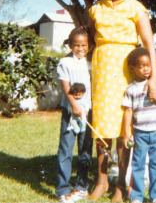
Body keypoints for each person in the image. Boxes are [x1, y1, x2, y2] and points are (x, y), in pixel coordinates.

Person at [88, 0, 156, 202]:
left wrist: (154, 79)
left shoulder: (137, 8)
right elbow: (88, 38)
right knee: (101, 128)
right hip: (101, 72)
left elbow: (149, 44)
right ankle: (101, 181)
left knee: (123, 128)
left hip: (126, 73)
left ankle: (120, 185)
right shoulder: (96, 8)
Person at [122, 47, 156, 203]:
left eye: (148, 66)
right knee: (137, 165)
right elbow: (128, 112)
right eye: (141, 66)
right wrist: (126, 133)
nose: (146, 69)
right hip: (140, 134)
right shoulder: (130, 89)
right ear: (132, 68)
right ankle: (136, 196)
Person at [55, 27, 93, 203]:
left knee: (85, 150)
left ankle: (81, 186)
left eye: (84, 45)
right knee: (66, 149)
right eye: (76, 45)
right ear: (70, 45)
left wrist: (85, 108)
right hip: (71, 112)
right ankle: (63, 188)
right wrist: (74, 104)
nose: (80, 48)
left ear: (89, 46)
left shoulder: (91, 62)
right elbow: (65, 86)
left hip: (88, 112)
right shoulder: (65, 62)